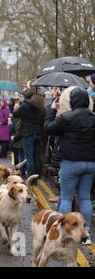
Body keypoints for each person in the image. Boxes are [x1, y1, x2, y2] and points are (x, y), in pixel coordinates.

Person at [45, 86, 95, 245]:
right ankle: (85, 236)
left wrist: (52, 110)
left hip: (71, 163)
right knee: (85, 198)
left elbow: (48, 129)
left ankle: (64, 233)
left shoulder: (66, 118)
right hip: (91, 163)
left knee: (66, 197)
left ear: (72, 101)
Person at [13, 87, 45, 177]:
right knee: (36, 157)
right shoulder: (39, 105)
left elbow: (15, 115)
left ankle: (30, 178)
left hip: (27, 134)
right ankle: (35, 178)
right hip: (38, 133)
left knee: (29, 157)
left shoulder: (25, 106)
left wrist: (17, 105)